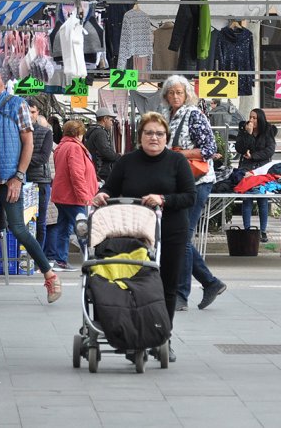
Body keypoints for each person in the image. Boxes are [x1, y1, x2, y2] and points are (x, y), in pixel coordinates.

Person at [92, 112, 196, 362]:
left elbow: (189, 196)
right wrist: (102, 194)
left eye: (159, 134)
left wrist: (164, 199)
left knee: (167, 286)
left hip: (170, 230)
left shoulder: (177, 162)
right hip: (134, 234)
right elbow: (111, 187)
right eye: (149, 133)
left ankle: (163, 337)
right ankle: (133, 335)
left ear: (166, 137)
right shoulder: (127, 161)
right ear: (140, 136)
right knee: (134, 283)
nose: (154, 137)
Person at [0, 69, 61, 306]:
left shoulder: (16, 104)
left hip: (9, 181)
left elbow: (28, 142)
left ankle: (50, 275)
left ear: (2, 78)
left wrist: (18, 176)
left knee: (18, 229)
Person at [163, 75, 227, 311]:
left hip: (197, 182)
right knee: (179, 237)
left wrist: (182, 154)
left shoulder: (194, 115)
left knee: (182, 237)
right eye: (171, 93)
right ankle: (210, 282)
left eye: (179, 92)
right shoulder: (168, 116)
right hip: (180, 183)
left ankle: (182, 293)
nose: (175, 96)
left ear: (187, 94)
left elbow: (210, 149)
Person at [51, 119, 98, 271]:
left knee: (64, 227)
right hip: (73, 197)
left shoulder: (61, 147)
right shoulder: (74, 148)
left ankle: (61, 260)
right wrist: (84, 196)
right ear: (78, 133)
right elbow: (76, 174)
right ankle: (91, 262)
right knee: (82, 229)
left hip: (63, 195)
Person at [235, 108, 278, 243]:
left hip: (262, 169)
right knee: (247, 199)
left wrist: (253, 156)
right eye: (250, 117)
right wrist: (248, 134)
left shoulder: (268, 131)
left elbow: (269, 150)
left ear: (260, 119)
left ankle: (263, 231)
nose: (252, 120)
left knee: (262, 199)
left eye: (254, 118)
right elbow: (240, 148)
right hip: (246, 168)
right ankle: (247, 229)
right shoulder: (244, 129)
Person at [27, 99, 53, 249]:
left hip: (40, 181)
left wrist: (22, 159)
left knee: (40, 221)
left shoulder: (45, 132)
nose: (30, 115)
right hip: (22, 180)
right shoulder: (16, 129)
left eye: (33, 112)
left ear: (37, 113)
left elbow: (43, 157)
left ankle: (39, 256)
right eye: (28, 111)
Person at [84, 107, 120, 184]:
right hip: (101, 171)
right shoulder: (100, 133)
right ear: (105, 119)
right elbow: (105, 151)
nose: (112, 123)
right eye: (111, 120)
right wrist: (118, 156)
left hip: (94, 169)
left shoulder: (93, 131)